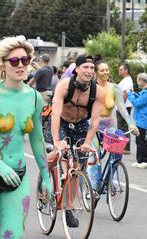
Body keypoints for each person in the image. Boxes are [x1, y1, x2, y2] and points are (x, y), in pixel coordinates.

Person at [0, 35, 52, 239]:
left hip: (16, 177)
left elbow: (38, 138)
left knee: (13, 238)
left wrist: (46, 174)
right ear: (3, 64)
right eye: (14, 60)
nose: (21, 65)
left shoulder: (35, 98)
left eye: (25, 60)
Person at [50, 54, 104, 227]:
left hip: (80, 125)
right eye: (85, 68)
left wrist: (87, 142)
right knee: (59, 153)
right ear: (77, 70)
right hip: (62, 123)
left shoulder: (97, 92)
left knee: (77, 169)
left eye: (91, 68)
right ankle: (46, 177)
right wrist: (57, 140)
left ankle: (68, 209)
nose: (89, 71)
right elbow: (56, 113)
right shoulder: (64, 85)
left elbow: (95, 121)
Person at [87, 62, 139, 189]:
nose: (105, 72)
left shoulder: (115, 88)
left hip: (109, 125)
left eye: (107, 70)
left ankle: (109, 179)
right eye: (102, 70)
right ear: (96, 73)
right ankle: (94, 186)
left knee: (117, 152)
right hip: (93, 125)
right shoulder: (90, 87)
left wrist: (131, 124)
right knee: (95, 154)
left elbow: (122, 108)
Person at [127, 73, 147, 169]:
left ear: (141, 80)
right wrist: (135, 94)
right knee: (139, 139)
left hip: (142, 118)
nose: (137, 83)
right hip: (144, 118)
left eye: (137, 80)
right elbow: (141, 99)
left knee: (141, 140)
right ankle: (140, 160)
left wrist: (129, 94)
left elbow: (137, 103)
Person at [117, 63, 133, 154]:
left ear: (126, 70)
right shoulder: (124, 80)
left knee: (123, 127)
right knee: (122, 127)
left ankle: (125, 147)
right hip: (123, 106)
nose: (119, 71)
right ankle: (124, 147)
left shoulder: (127, 80)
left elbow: (125, 93)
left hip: (124, 107)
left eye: (121, 69)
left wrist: (120, 106)